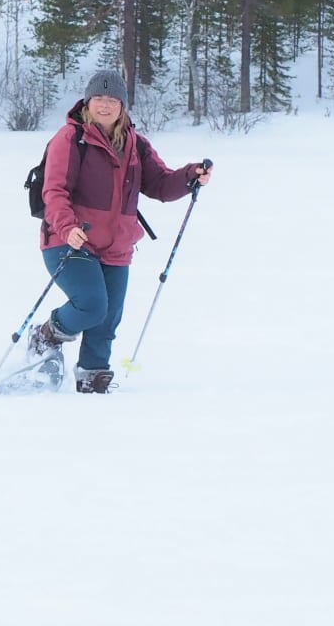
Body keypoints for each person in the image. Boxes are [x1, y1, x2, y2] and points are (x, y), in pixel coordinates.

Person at [29, 68, 211, 394]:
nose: (105, 105)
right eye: (98, 97)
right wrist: (67, 226)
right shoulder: (71, 139)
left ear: (123, 105)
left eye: (112, 99)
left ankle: (93, 374)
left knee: (108, 318)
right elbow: (54, 191)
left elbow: (160, 184)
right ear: (88, 101)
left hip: (116, 245)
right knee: (91, 304)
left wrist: (189, 176)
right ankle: (47, 335)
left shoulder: (134, 144)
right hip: (68, 240)